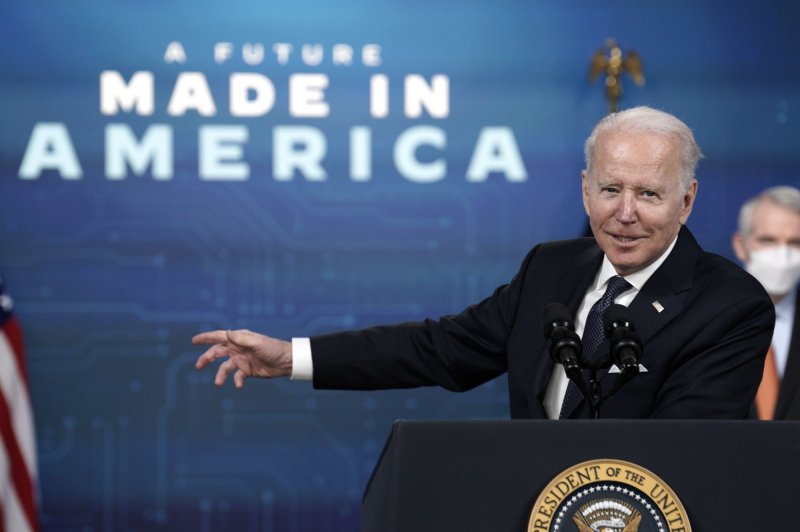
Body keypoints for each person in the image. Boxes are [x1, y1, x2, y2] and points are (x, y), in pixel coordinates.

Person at [194, 106, 774, 419]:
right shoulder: (551, 269)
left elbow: (689, 452)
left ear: (687, 200)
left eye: (648, 194)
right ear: (583, 191)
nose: (624, 214)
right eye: (609, 189)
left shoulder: (729, 304)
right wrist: (291, 356)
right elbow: (441, 349)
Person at [732, 185, 800, 420]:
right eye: (768, 240)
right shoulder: (705, 318)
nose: (782, 253)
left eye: (795, 242)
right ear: (742, 246)